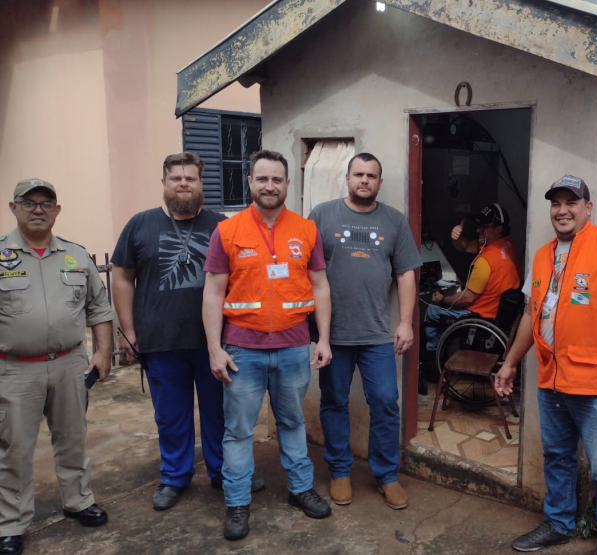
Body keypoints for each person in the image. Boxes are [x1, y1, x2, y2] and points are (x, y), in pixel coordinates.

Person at [495, 175, 597, 555]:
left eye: (572, 202)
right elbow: (531, 316)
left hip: (596, 382)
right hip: (552, 379)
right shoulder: (541, 255)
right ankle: (559, 523)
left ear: (588, 208)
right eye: (556, 203)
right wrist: (510, 363)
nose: (562, 210)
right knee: (558, 457)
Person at [111, 153, 264, 511]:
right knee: (171, 415)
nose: (183, 184)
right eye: (176, 178)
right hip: (160, 340)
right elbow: (121, 276)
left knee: (219, 412)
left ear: (201, 184)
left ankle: (224, 472)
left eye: (190, 178)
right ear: (164, 183)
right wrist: (128, 329)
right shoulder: (140, 224)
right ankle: (174, 476)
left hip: (215, 342)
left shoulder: (222, 226)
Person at [202, 150, 334, 541]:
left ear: (288, 184)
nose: (270, 186)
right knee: (238, 431)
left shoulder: (306, 230)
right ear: (250, 183)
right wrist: (214, 347)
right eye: (263, 179)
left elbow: (321, 286)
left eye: (277, 179)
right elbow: (213, 293)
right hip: (242, 348)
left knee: (293, 422)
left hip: (295, 345)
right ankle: (238, 503)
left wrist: (322, 338)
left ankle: (299, 490)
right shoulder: (227, 231)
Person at [0, 179, 113, 555]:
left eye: (46, 203)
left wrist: (102, 352)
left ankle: (79, 501)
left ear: (57, 210)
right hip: (15, 370)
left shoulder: (76, 256)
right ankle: (12, 523)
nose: (37, 209)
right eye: (28, 202)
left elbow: (98, 306)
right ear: (13, 208)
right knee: (14, 448)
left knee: (73, 438)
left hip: (69, 365)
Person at [308, 153, 422, 510]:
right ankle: (340, 471)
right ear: (347, 177)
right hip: (333, 335)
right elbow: (307, 272)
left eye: (372, 175)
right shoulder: (322, 216)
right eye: (359, 174)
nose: (365, 180)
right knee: (334, 402)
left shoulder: (394, 220)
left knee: (387, 403)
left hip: (376, 335)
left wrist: (405, 322)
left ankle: (387, 475)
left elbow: (406, 274)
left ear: (380, 182)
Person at [424, 202, 520, 352]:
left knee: (432, 310)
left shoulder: (486, 261)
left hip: (481, 316)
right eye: (477, 225)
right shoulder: (507, 245)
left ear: (498, 229)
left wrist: (442, 300)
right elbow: (465, 245)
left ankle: (433, 354)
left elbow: (467, 298)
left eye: (483, 226)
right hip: (498, 314)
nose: (477, 230)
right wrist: (456, 236)